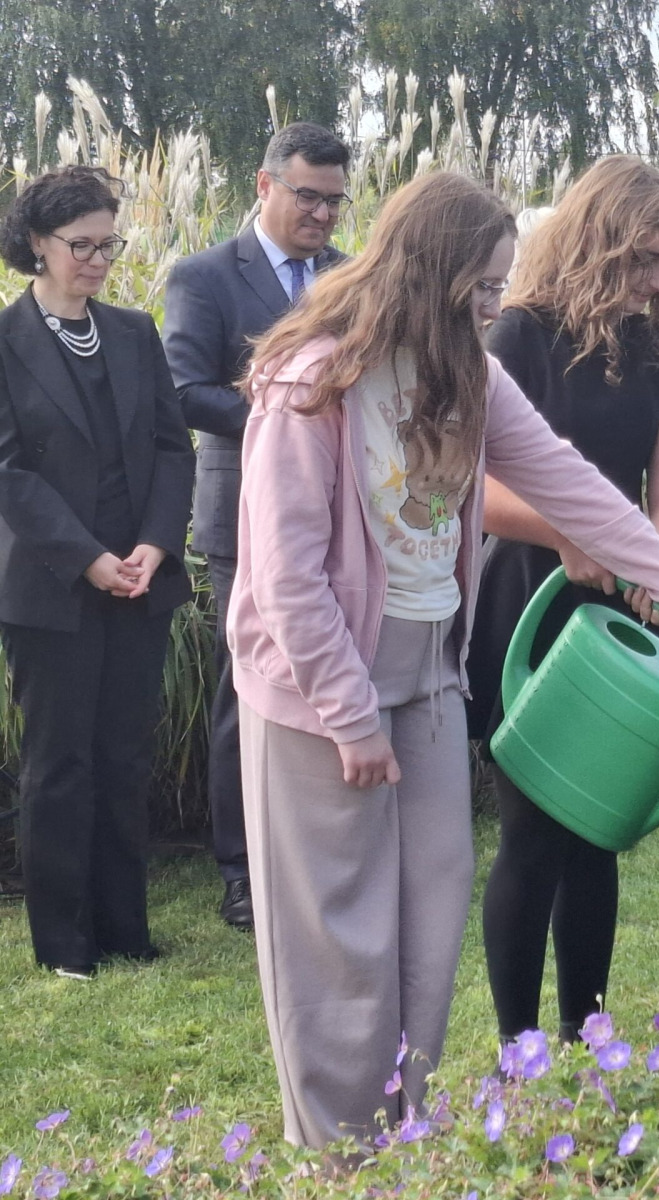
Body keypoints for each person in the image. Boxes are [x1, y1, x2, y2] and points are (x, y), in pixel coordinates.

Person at [232, 169, 659, 1150]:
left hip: (427, 676)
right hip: (321, 688)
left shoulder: (469, 368)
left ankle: (400, 1129)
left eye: (501, 288)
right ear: (426, 275)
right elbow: (285, 575)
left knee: (426, 930)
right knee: (339, 938)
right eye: (481, 289)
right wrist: (348, 710)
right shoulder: (314, 379)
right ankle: (337, 1155)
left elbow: (572, 486)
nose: (495, 308)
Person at [465, 156, 659, 1046]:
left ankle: (585, 1038)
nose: (656, 283)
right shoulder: (517, 336)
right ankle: (518, 1050)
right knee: (532, 834)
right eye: (644, 260)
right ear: (599, 239)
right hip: (531, 600)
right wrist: (570, 535)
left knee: (598, 831)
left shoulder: (658, 347)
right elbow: (473, 486)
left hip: (620, 615)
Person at [0, 166, 195, 977]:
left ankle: (125, 931)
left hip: (140, 581)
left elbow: (169, 446)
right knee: (60, 766)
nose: (98, 260)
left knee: (122, 757)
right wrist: (88, 559)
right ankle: (64, 944)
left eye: (108, 244)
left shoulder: (133, 330)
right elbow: (8, 472)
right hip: (53, 585)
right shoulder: (4, 343)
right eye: (81, 245)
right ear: (37, 244)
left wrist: (154, 544)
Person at [163, 122, 351, 931]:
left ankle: (323, 855)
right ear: (264, 183)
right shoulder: (204, 275)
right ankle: (243, 871)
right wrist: (291, 410)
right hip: (244, 516)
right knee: (250, 694)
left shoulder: (352, 277)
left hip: (348, 518)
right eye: (308, 195)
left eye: (336, 201)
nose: (322, 214)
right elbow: (181, 390)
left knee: (335, 679)